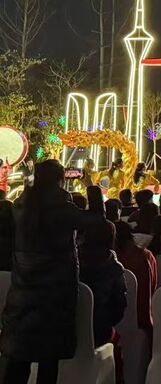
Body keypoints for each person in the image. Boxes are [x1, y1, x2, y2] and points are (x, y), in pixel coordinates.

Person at [0, 162, 102, 384]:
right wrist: (91, 186)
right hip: (54, 297)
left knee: (18, 361)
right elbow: (97, 220)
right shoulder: (62, 210)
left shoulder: (20, 207)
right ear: (59, 180)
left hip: (22, 295)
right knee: (49, 363)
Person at [78, 218, 128, 350]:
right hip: (100, 332)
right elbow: (119, 308)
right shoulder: (114, 268)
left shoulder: (72, 261)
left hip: (69, 329)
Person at [114, 220, 158, 338]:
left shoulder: (108, 260)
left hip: (113, 323)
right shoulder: (145, 256)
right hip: (139, 321)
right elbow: (149, 291)